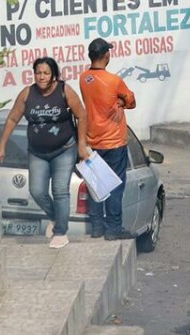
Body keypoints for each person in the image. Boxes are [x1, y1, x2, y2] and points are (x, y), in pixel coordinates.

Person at [0, 56, 91, 249]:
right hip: (37, 152)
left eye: (46, 73)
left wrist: (82, 145)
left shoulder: (65, 91)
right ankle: (55, 217)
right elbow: (13, 119)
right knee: (37, 191)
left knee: (60, 190)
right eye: (38, 73)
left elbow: (82, 115)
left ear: (54, 75)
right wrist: (2, 146)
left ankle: (61, 232)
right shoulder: (27, 94)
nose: (42, 77)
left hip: (64, 149)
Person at [79, 38, 137, 240]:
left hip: (93, 141)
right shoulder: (114, 81)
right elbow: (131, 101)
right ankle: (113, 229)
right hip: (114, 142)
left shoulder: (83, 78)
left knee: (97, 186)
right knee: (115, 187)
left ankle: (96, 228)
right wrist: (120, 101)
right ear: (106, 55)